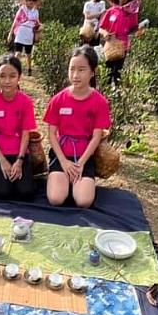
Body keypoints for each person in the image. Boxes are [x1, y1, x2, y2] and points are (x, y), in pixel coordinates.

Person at [44, 45, 112, 208]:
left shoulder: (99, 102)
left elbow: (97, 136)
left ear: (92, 72)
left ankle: (78, 181)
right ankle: (63, 178)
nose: (75, 75)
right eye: (72, 69)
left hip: (85, 156)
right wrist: (64, 162)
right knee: (56, 199)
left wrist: (80, 164)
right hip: (61, 154)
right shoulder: (59, 99)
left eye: (81, 70)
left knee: (83, 201)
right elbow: (52, 134)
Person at [0, 53, 37, 200]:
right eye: (2, 76)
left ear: (19, 77)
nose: (7, 81)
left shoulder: (25, 102)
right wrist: (2, 161)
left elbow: (26, 134)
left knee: (25, 192)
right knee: (3, 192)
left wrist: (19, 160)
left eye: (12, 76)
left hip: (19, 150)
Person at [98, 0, 144, 85]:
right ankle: (106, 95)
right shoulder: (110, 11)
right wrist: (105, 33)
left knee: (118, 72)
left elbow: (133, 28)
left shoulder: (132, 13)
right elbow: (100, 28)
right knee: (108, 72)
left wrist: (138, 31)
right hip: (110, 45)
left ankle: (117, 95)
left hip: (123, 46)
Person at [8, 0, 42, 77]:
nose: (31, 1)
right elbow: (15, 21)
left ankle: (29, 68)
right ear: (26, 0)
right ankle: (12, 68)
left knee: (28, 53)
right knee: (18, 52)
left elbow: (37, 23)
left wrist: (39, 29)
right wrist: (10, 33)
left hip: (29, 33)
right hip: (21, 32)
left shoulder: (36, 12)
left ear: (35, 1)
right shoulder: (22, 10)